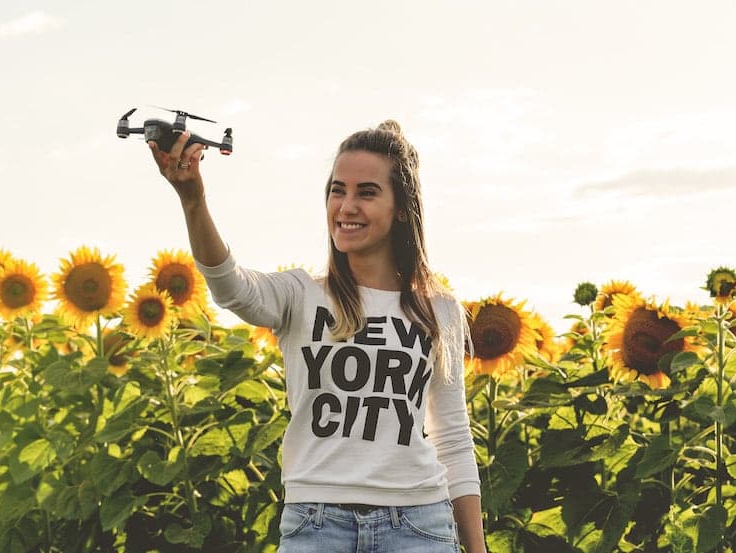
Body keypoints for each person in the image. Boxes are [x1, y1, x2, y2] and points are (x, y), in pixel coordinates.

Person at [149, 120, 486, 553]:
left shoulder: (439, 310)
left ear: (402, 207)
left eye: (366, 192)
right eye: (337, 190)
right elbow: (230, 286)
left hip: (419, 524)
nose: (346, 206)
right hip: (318, 524)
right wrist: (193, 200)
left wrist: (476, 549)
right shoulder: (300, 295)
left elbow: (453, 438)